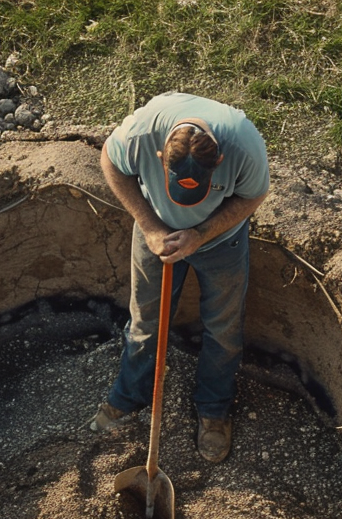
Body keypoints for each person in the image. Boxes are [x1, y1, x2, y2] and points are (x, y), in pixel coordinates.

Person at [89, 92, 270, 464]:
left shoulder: (244, 145)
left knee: (222, 328)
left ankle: (214, 410)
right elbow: (109, 160)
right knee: (145, 320)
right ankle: (128, 398)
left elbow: (253, 196)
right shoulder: (141, 134)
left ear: (219, 161)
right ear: (159, 158)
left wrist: (200, 235)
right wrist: (151, 227)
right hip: (154, 231)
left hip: (220, 241)